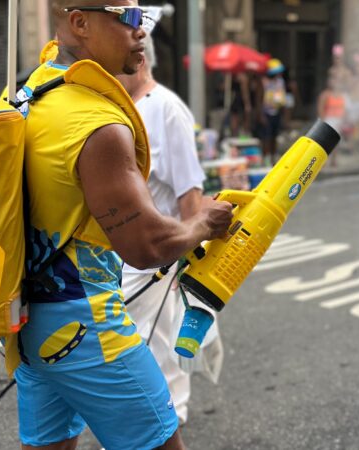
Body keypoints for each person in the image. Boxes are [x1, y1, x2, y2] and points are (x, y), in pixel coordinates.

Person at [15, 2, 233, 450]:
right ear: (79, 22)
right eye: (129, 18)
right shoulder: (98, 124)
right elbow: (147, 244)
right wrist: (202, 224)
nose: (142, 31)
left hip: (28, 322)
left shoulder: (32, 93)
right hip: (87, 325)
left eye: (144, 18)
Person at [117, 34, 215, 427]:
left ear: (139, 60)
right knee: (132, 351)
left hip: (157, 260)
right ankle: (145, 426)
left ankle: (167, 424)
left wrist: (188, 265)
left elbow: (190, 195)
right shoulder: (124, 108)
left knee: (155, 351)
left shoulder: (167, 110)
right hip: (123, 260)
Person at [257, 58, 287, 164]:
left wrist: (283, 114)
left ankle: (273, 157)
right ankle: (266, 158)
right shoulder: (264, 82)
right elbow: (259, 99)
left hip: (277, 112)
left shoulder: (280, 82)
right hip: (266, 113)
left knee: (274, 136)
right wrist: (261, 115)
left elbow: (282, 98)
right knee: (266, 137)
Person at [317, 76, 347, 166]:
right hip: (329, 120)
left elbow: (344, 108)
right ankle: (324, 161)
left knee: (336, 142)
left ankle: (334, 160)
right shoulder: (325, 94)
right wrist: (322, 121)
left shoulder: (341, 95)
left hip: (339, 120)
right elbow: (320, 108)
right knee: (326, 143)